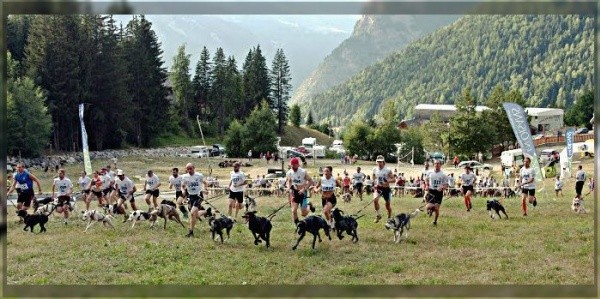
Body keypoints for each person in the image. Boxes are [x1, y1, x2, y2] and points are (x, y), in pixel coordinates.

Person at [182, 163, 209, 237]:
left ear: (194, 168)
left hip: (198, 195)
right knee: (196, 215)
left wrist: (205, 189)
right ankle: (206, 212)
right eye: (188, 169)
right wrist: (183, 191)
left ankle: (191, 232)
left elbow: (205, 183)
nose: (189, 170)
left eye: (191, 168)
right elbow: (183, 186)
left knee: (192, 213)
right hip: (191, 196)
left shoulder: (199, 175)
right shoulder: (185, 177)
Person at [286, 157, 315, 224]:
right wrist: (290, 188)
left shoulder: (303, 172)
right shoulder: (289, 173)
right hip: (295, 193)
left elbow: (311, 181)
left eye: (294, 165)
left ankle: (309, 206)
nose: (292, 166)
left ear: (298, 165)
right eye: (291, 165)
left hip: (302, 193)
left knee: (304, 214)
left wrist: (304, 189)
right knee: (293, 211)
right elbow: (289, 181)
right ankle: (298, 226)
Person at [425, 160, 448, 225]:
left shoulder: (443, 174)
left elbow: (446, 185)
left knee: (436, 208)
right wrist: (427, 185)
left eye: (438, 164)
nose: (436, 165)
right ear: (433, 164)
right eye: (435, 163)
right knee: (428, 207)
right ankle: (430, 210)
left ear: (440, 165)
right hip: (431, 191)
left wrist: (442, 188)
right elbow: (426, 179)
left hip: (439, 193)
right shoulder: (429, 172)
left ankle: (435, 221)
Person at [372, 155, 394, 223]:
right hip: (378, 187)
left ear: (383, 162)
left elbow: (394, 179)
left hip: (386, 189)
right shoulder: (374, 169)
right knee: (375, 200)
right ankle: (378, 215)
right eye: (378, 162)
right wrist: (374, 182)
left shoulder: (388, 170)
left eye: (381, 162)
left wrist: (387, 181)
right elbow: (373, 176)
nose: (379, 163)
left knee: (387, 205)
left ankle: (389, 215)